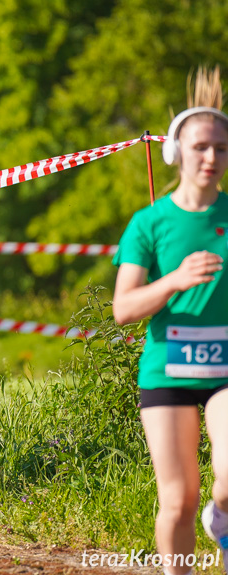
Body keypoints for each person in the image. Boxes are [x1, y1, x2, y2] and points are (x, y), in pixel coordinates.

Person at [113, 66, 228, 574]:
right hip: (168, 374)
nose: (211, 158)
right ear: (177, 151)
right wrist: (174, 280)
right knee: (179, 502)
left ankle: (221, 520)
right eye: (201, 147)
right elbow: (123, 310)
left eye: (221, 148)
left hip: (226, 372)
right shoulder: (150, 223)